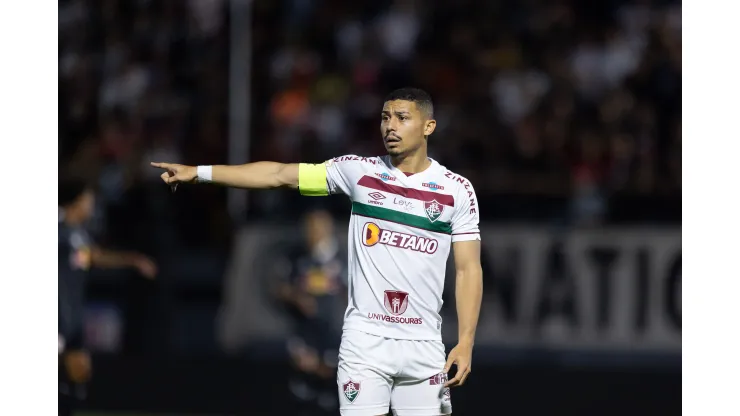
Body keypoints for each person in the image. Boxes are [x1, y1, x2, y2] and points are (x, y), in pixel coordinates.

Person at [152, 87, 483, 416]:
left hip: (423, 344)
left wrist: (465, 342)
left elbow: (468, 269)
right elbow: (280, 175)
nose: (390, 126)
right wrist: (200, 173)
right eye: (385, 118)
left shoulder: (456, 190)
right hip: (364, 342)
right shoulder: (360, 172)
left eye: (402, 118)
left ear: (428, 126)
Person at [58, 179, 158, 416]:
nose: (91, 207)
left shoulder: (78, 235)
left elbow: (93, 257)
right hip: (56, 314)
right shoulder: (57, 228)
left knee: (80, 372)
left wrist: (132, 260)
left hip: (71, 315)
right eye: (88, 201)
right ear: (77, 202)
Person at [275, 209, 347, 415]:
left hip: (334, 332)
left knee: (331, 387)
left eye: (317, 228)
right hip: (305, 333)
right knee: (303, 387)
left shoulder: (343, 259)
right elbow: (280, 287)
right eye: (309, 228)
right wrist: (296, 297)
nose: (312, 233)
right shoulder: (297, 257)